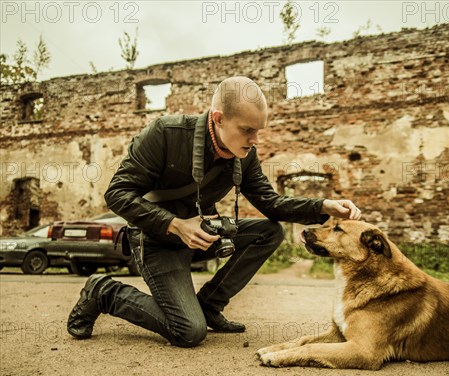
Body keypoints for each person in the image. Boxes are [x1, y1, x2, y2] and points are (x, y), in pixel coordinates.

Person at [66, 76, 361, 348]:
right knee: (188, 331)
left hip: (204, 237)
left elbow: (269, 203)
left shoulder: (245, 154)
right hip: (156, 241)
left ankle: (209, 305)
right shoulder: (165, 134)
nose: (255, 139)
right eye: (247, 130)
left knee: (269, 232)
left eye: (258, 130)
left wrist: (323, 206)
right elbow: (116, 194)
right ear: (218, 119)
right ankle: (103, 291)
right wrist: (175, 225)